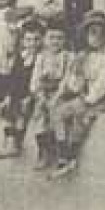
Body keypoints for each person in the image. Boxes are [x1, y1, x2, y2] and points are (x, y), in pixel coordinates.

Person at [45, 12, 105, 178]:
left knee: (81, 115)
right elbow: (74, 83)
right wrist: (74, 78)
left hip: (104, 97)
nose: (96, 37)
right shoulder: (83, 55)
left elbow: (104, 83)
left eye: (100, 32)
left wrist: (88, 99)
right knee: (58, 112)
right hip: (84, 95)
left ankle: (71, 156)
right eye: (92, 32)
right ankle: (63, 155)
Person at [29, 25, 74, 171]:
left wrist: (57, 96)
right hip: (43, 92)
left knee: (56, 111)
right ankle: (43, 151)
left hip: (62, 93)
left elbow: (67, 79)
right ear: (45, 40)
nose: (55, 42)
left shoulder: (69, 57)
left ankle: (62, 152)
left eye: (59, 38)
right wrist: (40, 95)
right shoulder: (41, 57)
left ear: (65, 40)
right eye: (52, 38)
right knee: (39, 113)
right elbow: (35, 80)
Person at [0, 21, 44, 159]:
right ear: (23, 41)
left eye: (36, 39)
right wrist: (8, 96)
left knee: (23, 109)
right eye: (28, 40)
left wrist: (30, 96)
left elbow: (39, 81)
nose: (32, 43)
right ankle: (10, 143)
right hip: (19, 93)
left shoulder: (41, 58)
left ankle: (15, 144)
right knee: (8, 107)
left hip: (34, 93)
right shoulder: (21, 57)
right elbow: (14, 79)